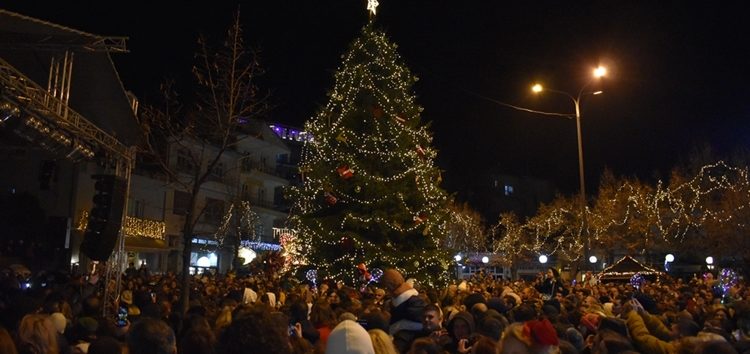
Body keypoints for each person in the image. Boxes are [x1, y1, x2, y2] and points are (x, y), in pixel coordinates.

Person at [381, 268, 426, 353]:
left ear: (390, 285)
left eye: (387, 287)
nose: (386, 290)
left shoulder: (412, 301)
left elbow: (422, 323)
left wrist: (399, 326)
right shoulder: (398, 301)